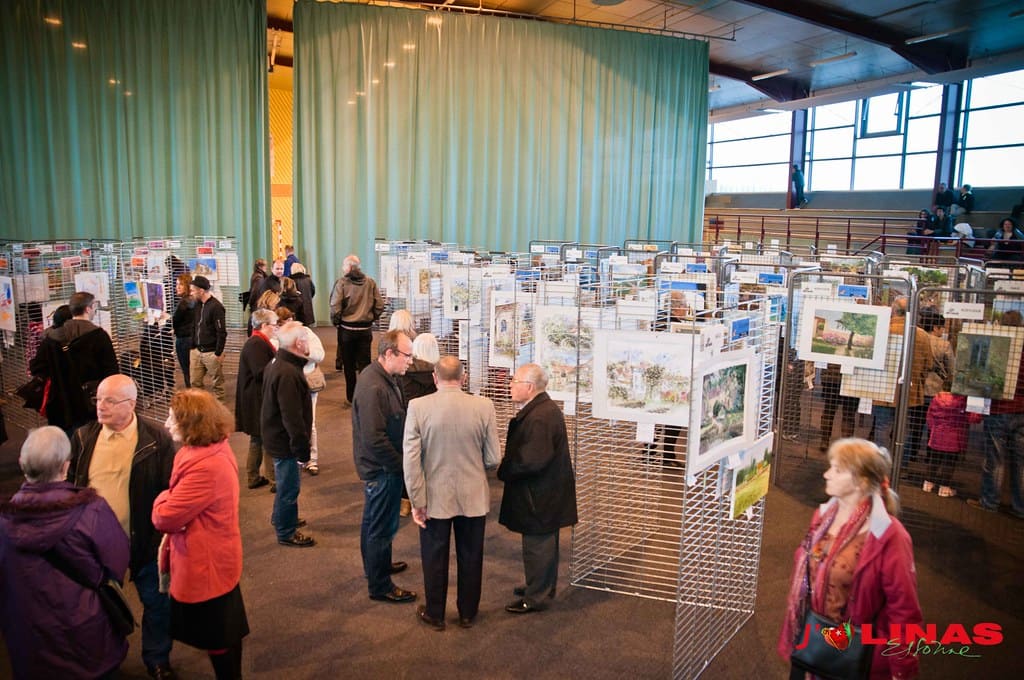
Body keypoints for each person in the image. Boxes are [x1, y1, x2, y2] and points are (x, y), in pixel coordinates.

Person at [778, 438, 922, 680]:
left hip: (855, 658)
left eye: (837, 470)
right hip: (813, 643)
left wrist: (901, 670)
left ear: (861, 481)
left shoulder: (889, 536)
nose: (826, 474)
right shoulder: (823, 517)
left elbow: (904, 611)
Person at [68, 374, 177, 679]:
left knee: (157, 603)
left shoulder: (156, 438)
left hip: (144, 541)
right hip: (94, 545)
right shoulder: (83, 438)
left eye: (109, 401)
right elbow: (71, 484)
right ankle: (106, 661)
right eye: (98, 399)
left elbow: (170, 488)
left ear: (131, 404)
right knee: (97, 607)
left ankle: (157, 659)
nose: (100, 406)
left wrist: (158, 536)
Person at [0, 426, 130, 679]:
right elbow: (117, 561)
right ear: (66, 466)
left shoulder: (4, 521)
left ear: (22, 464)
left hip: (27, 635)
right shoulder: (91, 510)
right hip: (85, 631)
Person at [153, 390, 249, 680]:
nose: (167, 424)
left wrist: (162, 497)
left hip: (206, 564)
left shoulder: (205, 467)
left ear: (193, 424)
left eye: (173, 419)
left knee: (219, 636)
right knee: (222, 632)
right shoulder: (207, 451)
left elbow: (164, 517)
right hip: (213, 558)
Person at [403, 356, 501, 630]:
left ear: (434, 378)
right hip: (473, 495)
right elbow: (493, 458)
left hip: (434, 497)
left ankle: (435, 613)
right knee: (471, 555)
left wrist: (417, 501)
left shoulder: (418, 407)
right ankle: (468, 612)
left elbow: (411, 461)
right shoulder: (484, 406)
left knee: (434, 556)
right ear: (464, 378)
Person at [498, 363, 578, 614]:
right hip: (545, 492)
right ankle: (540, 586)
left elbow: (531, 461)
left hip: (540, 495)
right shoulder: (543, 410)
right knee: (543, 543)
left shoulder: (540, 416)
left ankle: (536, 596)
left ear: (530, 387)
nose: (510, 386)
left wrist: (504, 470)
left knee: (538, 545)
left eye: (514, 381)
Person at [352, 330, 417, 603]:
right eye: (407, 355)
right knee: (380, 527)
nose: (410, 361)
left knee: (374, 523)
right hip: (382, 469)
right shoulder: (374, 386)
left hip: (381, 467)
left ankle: (376, 567)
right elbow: (374, 438)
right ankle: (380, 585)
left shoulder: (382, 377)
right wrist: (400, 466)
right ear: (389, 353)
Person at [29, 290, 119, 434]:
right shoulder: (99, 336)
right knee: (90, 441)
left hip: (60, 402)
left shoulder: (51, 337)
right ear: (88, 309)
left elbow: (36, 367)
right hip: (90, 402)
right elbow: (111, 372)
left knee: (64, 442)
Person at [261, 321, 316, 547]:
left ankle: (282, 517)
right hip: (284, 441)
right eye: (306, 338)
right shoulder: (288, 373)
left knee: (287, 485)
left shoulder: (279, 363)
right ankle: (286, 531)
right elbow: (292, 417)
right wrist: (302, 451)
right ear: (298, 343)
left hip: (276, 436)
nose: (309, 341)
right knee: (289, 487)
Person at [968, 311, 1024, 518]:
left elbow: (984, 377)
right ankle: (1020, 507)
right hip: (1022, 410)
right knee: (1021, 462)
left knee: (995, 458)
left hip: (1000, 408)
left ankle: (990, 502)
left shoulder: (999, 347)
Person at [870, 298, 932, 467]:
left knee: (882, 427)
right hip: (909, 391)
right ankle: (900, 464)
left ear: (894, 310)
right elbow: (928, 364)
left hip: (882, 388)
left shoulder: (883, 329)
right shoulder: (921, 335)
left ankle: (881, 465)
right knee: (903, 429)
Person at [330, 254, 384, 402]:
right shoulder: (370, 282)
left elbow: (335, 306)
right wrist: (371, 317)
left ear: (349, 267)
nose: (342, 268)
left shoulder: (342, 283)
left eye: (343, 265)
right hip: (365, 330)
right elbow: (380, 305)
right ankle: (366, 395)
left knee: (348, 365)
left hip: (346, 329)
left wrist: (337, 322)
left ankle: (351, 397)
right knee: (365, 365)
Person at [236, 309, 279, 491]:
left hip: (253, 399)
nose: (276, 328)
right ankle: (274, 480)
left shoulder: (256, 341)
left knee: (257, 439)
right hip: (257, 400)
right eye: (274, 325)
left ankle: (253, 476)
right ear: (264, 325)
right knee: (268, 438)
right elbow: (261, 372)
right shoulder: (256, 344)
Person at [924, 391, 981, 498]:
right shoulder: (963, 399)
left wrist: (933, 429)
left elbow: (929, 416)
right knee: (949, 463)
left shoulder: (938, 397)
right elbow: (973, 418)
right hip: (954, 437)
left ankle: (928, 484)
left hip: (937, 434)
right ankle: (944, 488)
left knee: (934, 460)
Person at [189, 275, 227, 401]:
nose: (191, 293)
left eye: (193, 290)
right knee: (195, 382)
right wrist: (192, 346)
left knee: (217, 384)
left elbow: (221, 332)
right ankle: (200, 406)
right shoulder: (196, 305)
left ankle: (219, 408)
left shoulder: (216, 307)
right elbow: (194, 325)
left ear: (201, 291)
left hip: (211, 352)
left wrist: (218, 353)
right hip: (196, 351)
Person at [300, 324, 326, 476]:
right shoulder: (276, 337)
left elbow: (320, 355)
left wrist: (306, 351)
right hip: (288, 384)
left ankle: (311, 459)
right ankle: (297, 457)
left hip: (309, 382)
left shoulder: (306, 333)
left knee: (310, 422)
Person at [818, 363, 858, 452]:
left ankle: (826, 441)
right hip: (846, 376)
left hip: (834, 376)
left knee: (832, 410)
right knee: (846, 413)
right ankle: (844, 444)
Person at [172, 273, 196, 388]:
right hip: (192, 338)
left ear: (187, 286)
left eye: (180, 284)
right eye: (177, 284)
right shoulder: (194, 300)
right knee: (192, 370)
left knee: (187, 371)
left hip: (183, 340)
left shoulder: (183, 303)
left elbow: (175, 320)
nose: (177, 287)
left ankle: (191, 394)